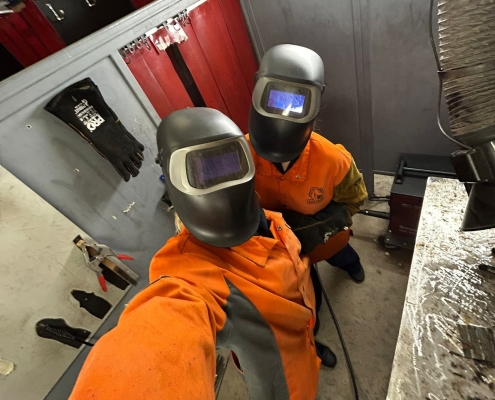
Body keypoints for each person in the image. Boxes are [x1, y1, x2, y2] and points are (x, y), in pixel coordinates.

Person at [69, 108, 329, 400]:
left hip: (304, 336)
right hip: (288, 387)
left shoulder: (270, 220)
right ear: (174, 179)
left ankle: (314, 343)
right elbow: (159, 339)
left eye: (228, 162)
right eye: (204, 172)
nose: (223, 186)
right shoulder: (191, 280)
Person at [247, 44, 368, 285]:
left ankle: (352, 264)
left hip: (322, 237)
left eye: (294, 102)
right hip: (275, 241)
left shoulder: (335, 160)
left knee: (339, 253)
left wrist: (322, 226)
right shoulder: (240, 155)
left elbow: (355, 199)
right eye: (277, 99)